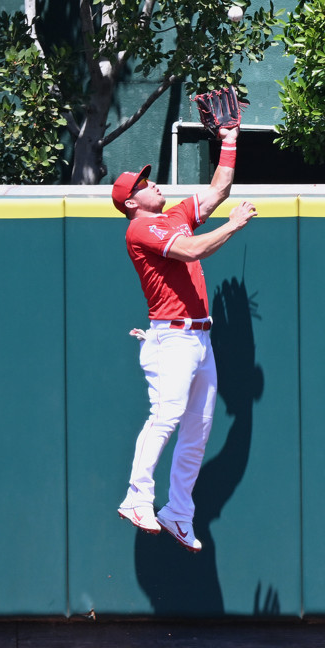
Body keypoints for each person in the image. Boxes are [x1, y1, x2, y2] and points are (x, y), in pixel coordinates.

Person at [111, 125, 257, 552]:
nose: (152, 183)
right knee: (167, 416)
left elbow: (220, 187)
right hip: (172, 339)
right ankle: (137, 498)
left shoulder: (174, 216)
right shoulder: (140, 230)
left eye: (148, 178)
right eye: (143, 184)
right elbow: (193, 251)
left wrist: (229, 138)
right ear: (132, 202)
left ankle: (177, 512)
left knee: (198, 430)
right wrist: (232, 227)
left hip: (198, 340)